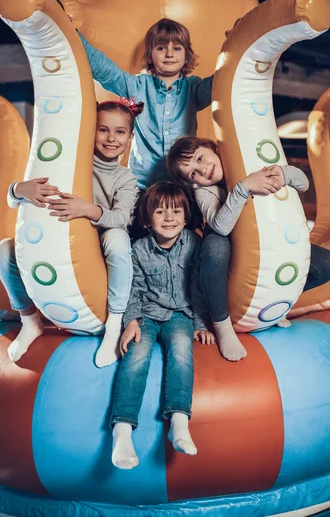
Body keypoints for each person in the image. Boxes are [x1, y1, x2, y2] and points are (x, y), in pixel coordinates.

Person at [0, 99, 142, 367]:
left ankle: (114, 322)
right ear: (90, 131)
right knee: (3, 250)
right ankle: (29, 319)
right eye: (103, 129)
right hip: (57, 242)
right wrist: (18, 189)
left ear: (130, 138)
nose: (111, 138)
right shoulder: (69, 163)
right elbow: (15, 198)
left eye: (120, 132)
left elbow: (120, 219)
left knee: (118, 238)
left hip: (93, 253)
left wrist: (87, 209)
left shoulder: (125, 179)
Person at [166, 136, 330, 359]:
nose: (202, 170)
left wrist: (284, 174)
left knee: (328, 264)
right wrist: (243, 188)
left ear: (211, 148)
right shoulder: (204, 191)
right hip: (231, 254)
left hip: (268, 243)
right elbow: (220, 226)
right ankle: (223, 325)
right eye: (193, 174)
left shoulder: (244, 160)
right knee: (214, 245)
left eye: (200, 158)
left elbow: (303, 183)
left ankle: (276, 300)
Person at [111, 181, 214, 470]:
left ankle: (179, 420)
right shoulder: (139, 249)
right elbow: (132, 288)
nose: (169, 218)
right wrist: (131, 321)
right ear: (147, 218)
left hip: (179, 314)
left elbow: (198, 287)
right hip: (145, 313)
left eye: (176, 211)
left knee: (182, 349)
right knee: (136, 355)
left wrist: (201, 323)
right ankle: (122, 430)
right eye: (160, 212)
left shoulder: (193, 244)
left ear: (185, 216)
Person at [78, 18, 213, 192]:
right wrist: (73, 34)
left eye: (177, 48)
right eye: (161, 48)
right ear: (150, 54)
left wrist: (236, 43)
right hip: (143, 187)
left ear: (186, 54)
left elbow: (223, 80)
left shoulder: (194, 88)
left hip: (184, 186)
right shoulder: (139, 86)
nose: (169, 54)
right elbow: (105, 70)